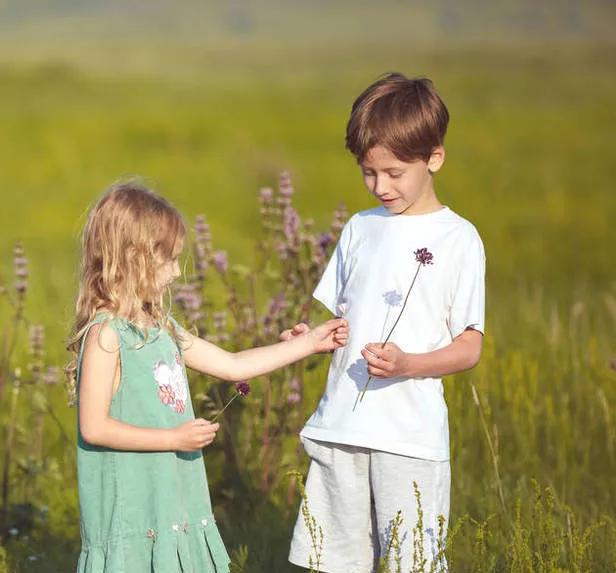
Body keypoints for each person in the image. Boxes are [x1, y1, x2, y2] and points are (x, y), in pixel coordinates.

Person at [70, 180, 348, 572]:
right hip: (132, 502)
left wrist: (309, 344)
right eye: (168, 260)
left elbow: (232, 365)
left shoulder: (160, 327)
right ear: (134, 257)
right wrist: (173, 438)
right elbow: (94, 427)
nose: (176, 272)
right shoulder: (106, 336)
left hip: (169, 493)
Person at [287, 73, 486, 572]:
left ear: (433, 158)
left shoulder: (458, 239)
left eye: (395, 173)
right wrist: (310, 339)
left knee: (412, 563)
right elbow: (343, 320)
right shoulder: (359, 228)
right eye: (369, 173)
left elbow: (469, 347)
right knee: (332, 562)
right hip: (341, 429)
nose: (381, 186)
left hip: (409, 439)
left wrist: (409, 364)